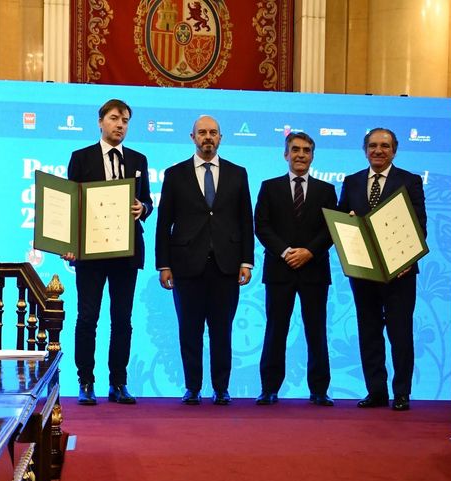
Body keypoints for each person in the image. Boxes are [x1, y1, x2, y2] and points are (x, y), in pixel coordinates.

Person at [155, 115, 254, 405]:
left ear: (220, 138)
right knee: (190, 330)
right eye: (202, 133)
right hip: (186, 266)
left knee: (222, 330)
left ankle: (221, 388)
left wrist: (246, 261)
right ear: (192, 137)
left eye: (213, 133)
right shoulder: (175, 174)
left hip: (226, 265)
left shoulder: (238, 173)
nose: (207, 137)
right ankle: (193, 387)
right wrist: (164, 265)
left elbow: (245, 221)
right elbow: (164, 224)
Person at [62, 99, 153, 406]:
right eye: (114, 119)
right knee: (88, 317)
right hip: (91, 252)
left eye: (125, 120)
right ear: (100, 122)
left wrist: (143, 208)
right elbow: (69, 204)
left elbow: (148, 202)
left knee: (122, 320)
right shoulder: (81, 157)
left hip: (126, 252)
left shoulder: (139, 160)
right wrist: (67, 244)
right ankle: (85, 381)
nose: (120, 125)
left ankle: (119, 382)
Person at [337, 128, 427, 411]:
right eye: (373, 145)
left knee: (401, 333)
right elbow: (341, 219)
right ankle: (376, 391)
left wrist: (407, 259)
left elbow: (419, 224)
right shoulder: (351, 182)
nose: (378, 150)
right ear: (365, 150)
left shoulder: (410, 181)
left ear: (394, 150)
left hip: (399, 273)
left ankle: (401, 392)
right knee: (369, 332)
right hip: (364, 272)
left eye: (385, 146)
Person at [254, 132, 337, 406]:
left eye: (306, 150)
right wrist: (286, 251)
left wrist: (309, 252)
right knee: (275, 330)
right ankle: (269, 389)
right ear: (285, 154)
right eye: (295, 149)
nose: (301, 155)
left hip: (314, 270)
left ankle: (319, 390)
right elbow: (261, 226)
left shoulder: (327, 191)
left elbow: (331, 229)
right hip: (280, 269)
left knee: (317, 330)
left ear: (313, 156)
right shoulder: (269, 187)